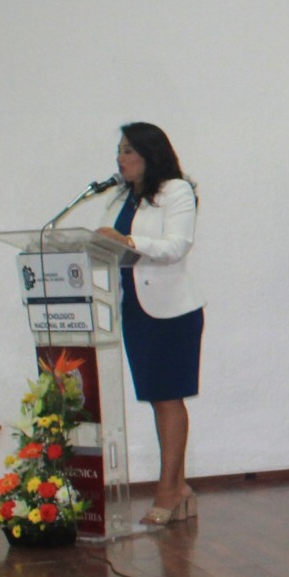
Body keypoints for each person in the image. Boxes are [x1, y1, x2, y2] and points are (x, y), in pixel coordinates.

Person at [93, 123, 204, 527]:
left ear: (149, 153)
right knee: (158, 398)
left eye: (128, 151)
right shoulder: (121, 197)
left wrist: (128, 242)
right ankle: (180, 489)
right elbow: (110, 245)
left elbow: (176, 246)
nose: (120, 158)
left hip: (171, 311)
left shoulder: (176, 191)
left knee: (168, 398)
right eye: (119, 150)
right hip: (136, 309)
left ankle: (169, 491)